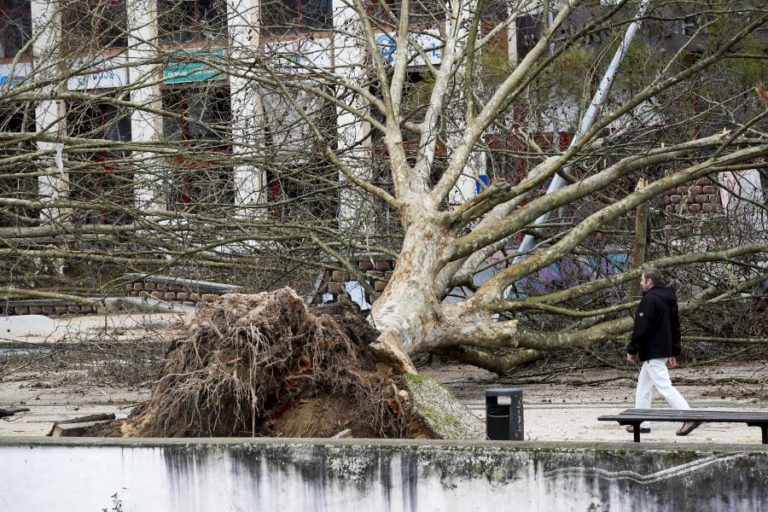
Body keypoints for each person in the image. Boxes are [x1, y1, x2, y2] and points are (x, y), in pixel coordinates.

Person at [626, 267, 700, 436]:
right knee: (643, 388)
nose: (640, 282)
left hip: (653, 351)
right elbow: (675, 327)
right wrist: (673, 351)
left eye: (642, 279)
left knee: (665, 387)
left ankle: (689, 416)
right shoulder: (669, 300)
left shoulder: (649, 300)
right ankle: (642, 422)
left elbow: (641, 328)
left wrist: (632, 350)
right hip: (661, 351)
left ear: (649, 281)